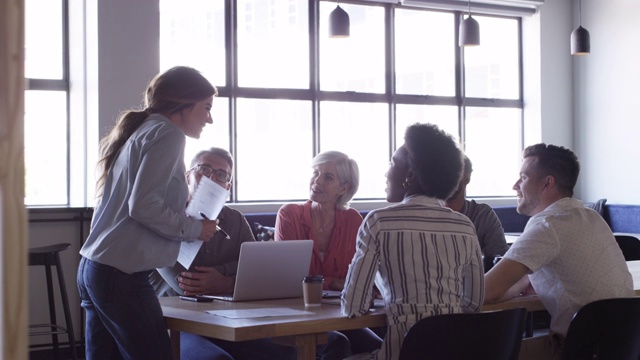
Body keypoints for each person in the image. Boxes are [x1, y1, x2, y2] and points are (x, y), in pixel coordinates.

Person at [77, 66, 220, 359]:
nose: (210, 117)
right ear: (183, 103)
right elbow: (143, 206)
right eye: (206, 107)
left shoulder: (142, 131)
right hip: (121, 274)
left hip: (95, 268)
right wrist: (195, 229)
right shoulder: (168, 134)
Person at [342, 123, 484, 360]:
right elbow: (473, 304)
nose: (386, 173)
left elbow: (353, 307)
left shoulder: (379, 221)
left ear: (409, 176)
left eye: (391, 163)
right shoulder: (464, 226)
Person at [484, 143, 634, 360]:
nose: (515, 185)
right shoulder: (593, 218)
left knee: (483, 351)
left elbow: (488, 291)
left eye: (523, 177)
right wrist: (521, 282)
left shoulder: (547, 225)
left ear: (547, 183)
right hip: (622, 349)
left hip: (575, 350)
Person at [150, 147, 294, 360]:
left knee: (290, 350)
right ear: (187, 176)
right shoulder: (166, 217)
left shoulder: (235, 219)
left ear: (227, 186)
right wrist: (233, 276)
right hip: (177, 323)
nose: (211, 178)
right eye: (204, 169)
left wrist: (223, 282)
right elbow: (188, 285)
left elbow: (255, 271)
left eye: (221, 174)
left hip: (230, 318)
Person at [275, 150, 376, 359]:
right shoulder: (289, 215)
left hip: (342, 315)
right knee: (338, 343)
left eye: (328, 177)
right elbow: (289, 280)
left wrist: (334, 283)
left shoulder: (354, 220)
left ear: (343, 188)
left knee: (383, 346)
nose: (316, 181)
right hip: (298, 316)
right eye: (315, 173)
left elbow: (360, 279)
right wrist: (337, 282)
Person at [443, 155, 509, 270]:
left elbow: (499, 259)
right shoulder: (428, 213)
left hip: (474, 283)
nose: (444, 179)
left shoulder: (482, 215)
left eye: (452, 173)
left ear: (466, 178)